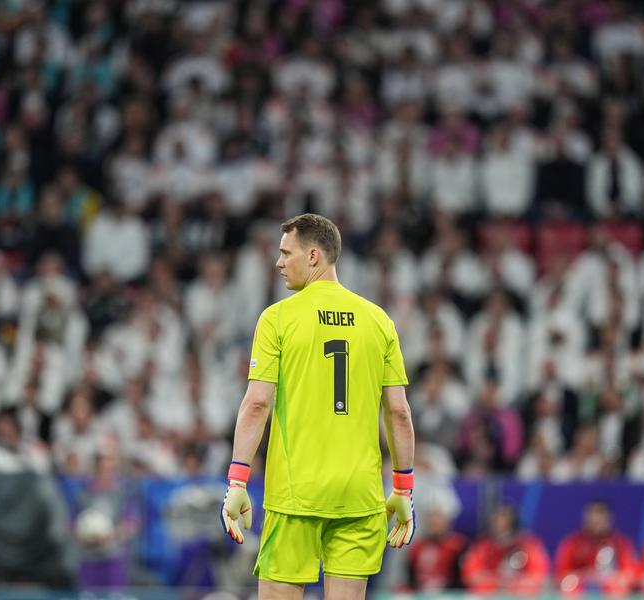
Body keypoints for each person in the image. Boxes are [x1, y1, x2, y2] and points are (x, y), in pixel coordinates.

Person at [219, 214, 415, 599]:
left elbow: (257, 404)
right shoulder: (379, 321)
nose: (278, 263)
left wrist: (237, 480)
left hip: (296, 495)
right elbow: (399, 412)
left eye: (285, 253)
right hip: (359, 496)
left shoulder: (278, 318)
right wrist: (403, 488)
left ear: (313, 255)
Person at [462, 504, 550, 594]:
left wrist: (514, 585)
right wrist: (496, 582)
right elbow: (470, 576)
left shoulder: (529, 546)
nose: (501, 536)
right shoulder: (483, 547)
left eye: (507, 530)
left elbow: (538, 577)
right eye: (496, 525)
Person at [555, 499, 637, 595]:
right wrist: (586, 575)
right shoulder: (572, 543)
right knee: (569, 586)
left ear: (609, 519)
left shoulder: (621, 544)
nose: (596, 520)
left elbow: (630, 574)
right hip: (581, 589)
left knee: (618, 587)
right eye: (593, 515)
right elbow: (560, 575)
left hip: (609, 590)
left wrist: (610, 579)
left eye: (601, 516)